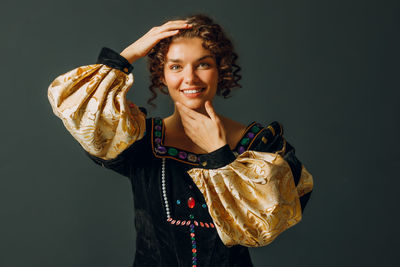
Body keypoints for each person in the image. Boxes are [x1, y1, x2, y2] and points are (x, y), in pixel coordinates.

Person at [48, 14, 313, 267]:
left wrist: (220, 155)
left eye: (203, 64)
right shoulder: (138, 141)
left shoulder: (261, 144)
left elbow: (268, 222)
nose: (190, 78)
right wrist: (128, 55)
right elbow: (81, 111)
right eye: (176, 66)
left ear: (220, 71)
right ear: (161, 75)